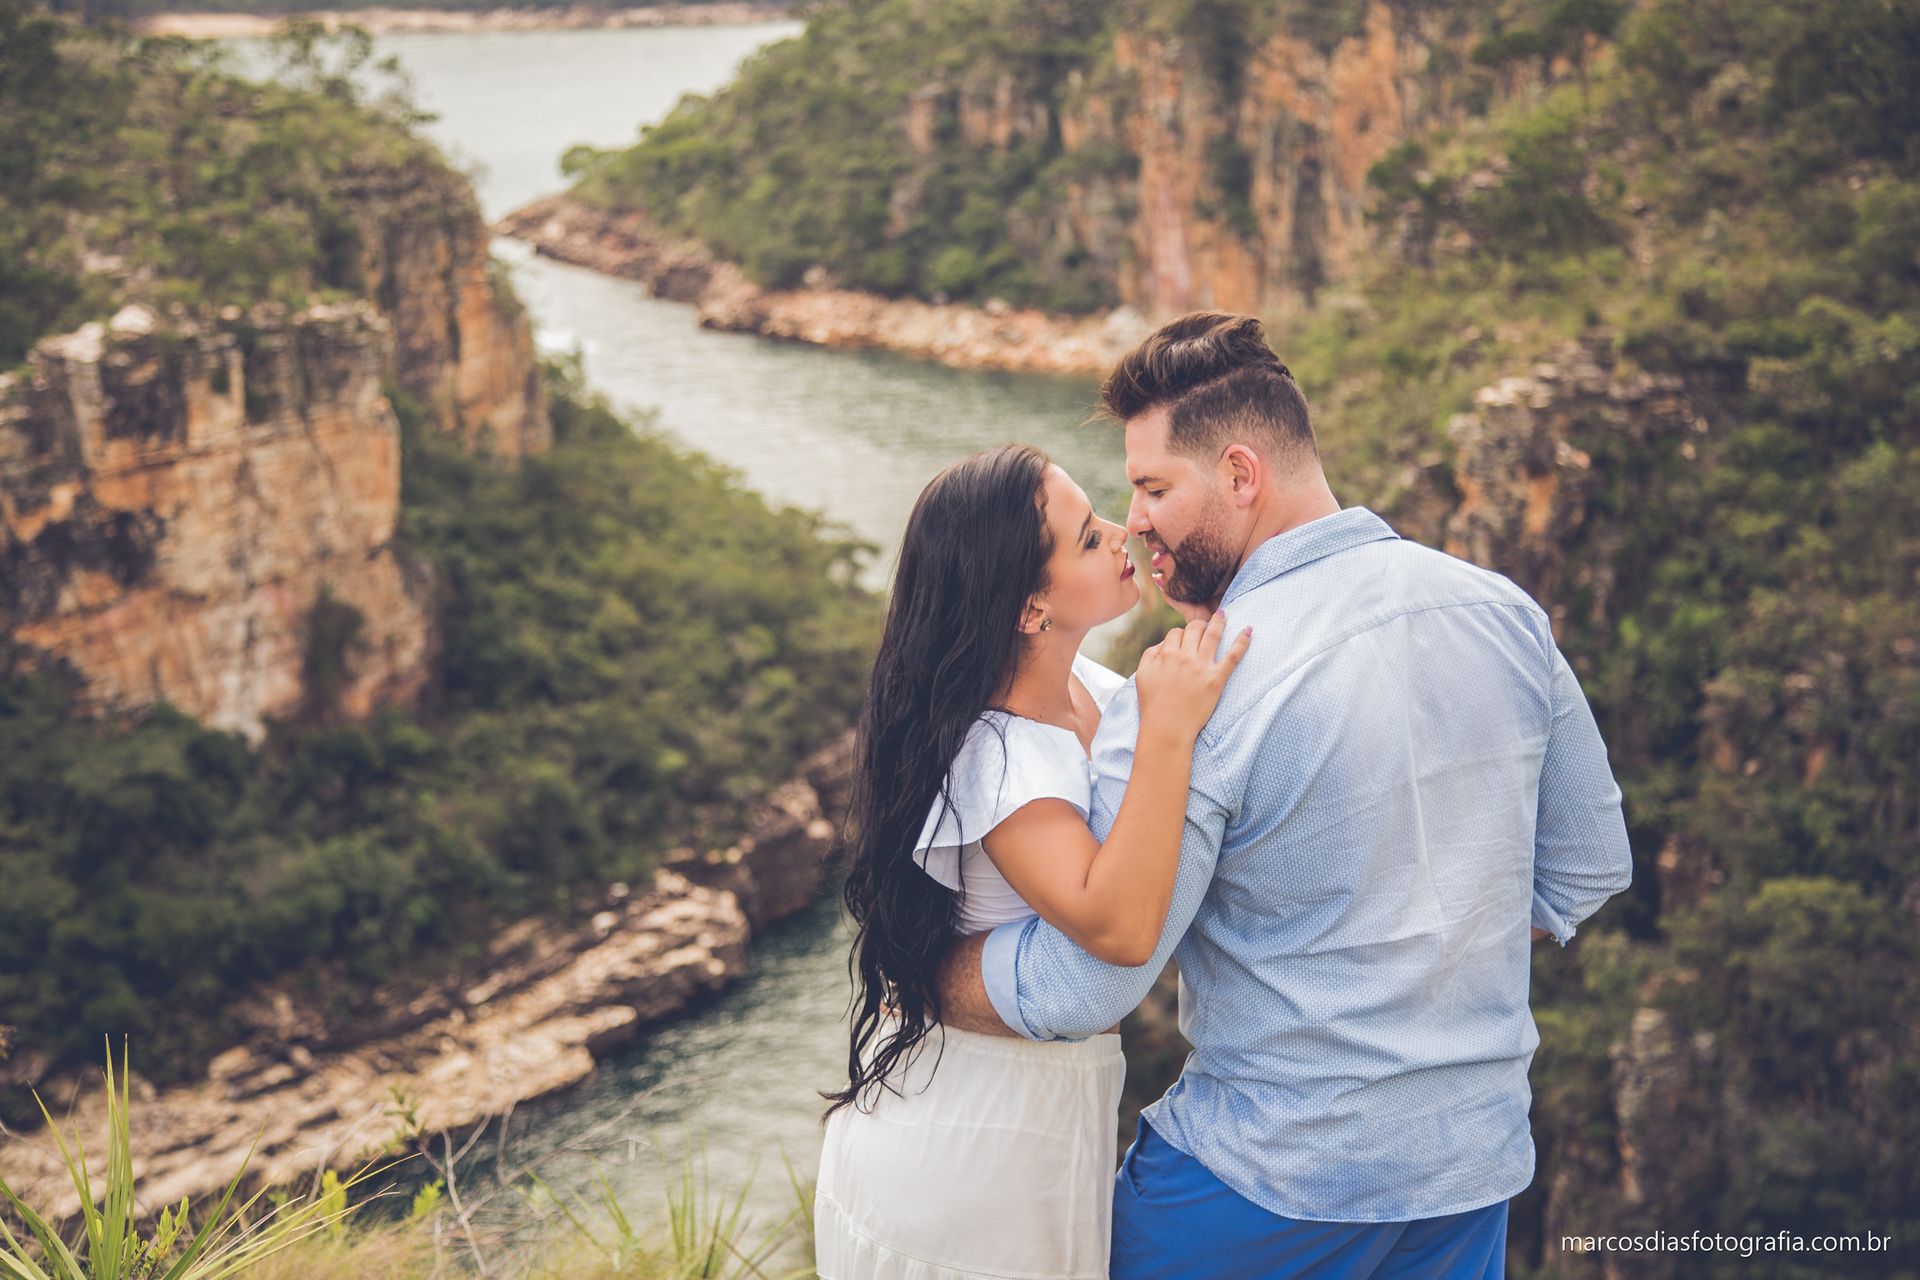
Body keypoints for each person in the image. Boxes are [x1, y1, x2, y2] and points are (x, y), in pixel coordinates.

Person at [933, 312, 1635, 1279]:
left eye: (1151, 488)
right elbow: (1592, 864)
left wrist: (928, 972)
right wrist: (1423, 951)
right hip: (1467, 1172)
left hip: (1264, 1185)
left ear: (1238, 474)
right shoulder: (1502, 611)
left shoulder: (1190, 683)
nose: (1133, 521)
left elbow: (1087, 985)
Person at [813, 441, 1252, 1280]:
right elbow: (1117, 927)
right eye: (1089, 538)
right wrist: (1168, 729)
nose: (1122, 530)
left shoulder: (1090, 688)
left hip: (1035, 1116)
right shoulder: (999, 756)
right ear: (1028, 608)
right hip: (967, 1155)